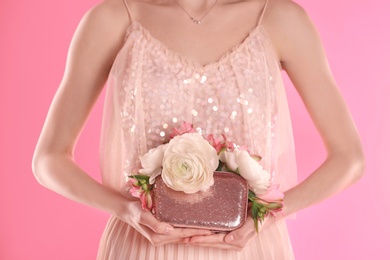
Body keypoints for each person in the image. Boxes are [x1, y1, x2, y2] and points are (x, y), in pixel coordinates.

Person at [32, 0, 365, 259]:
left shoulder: (280, 19)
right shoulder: (113, 18)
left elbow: (349, 158)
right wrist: (127, 210)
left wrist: (268, 216)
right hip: (143, 246)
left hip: (251, 248)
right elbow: (48, 160)